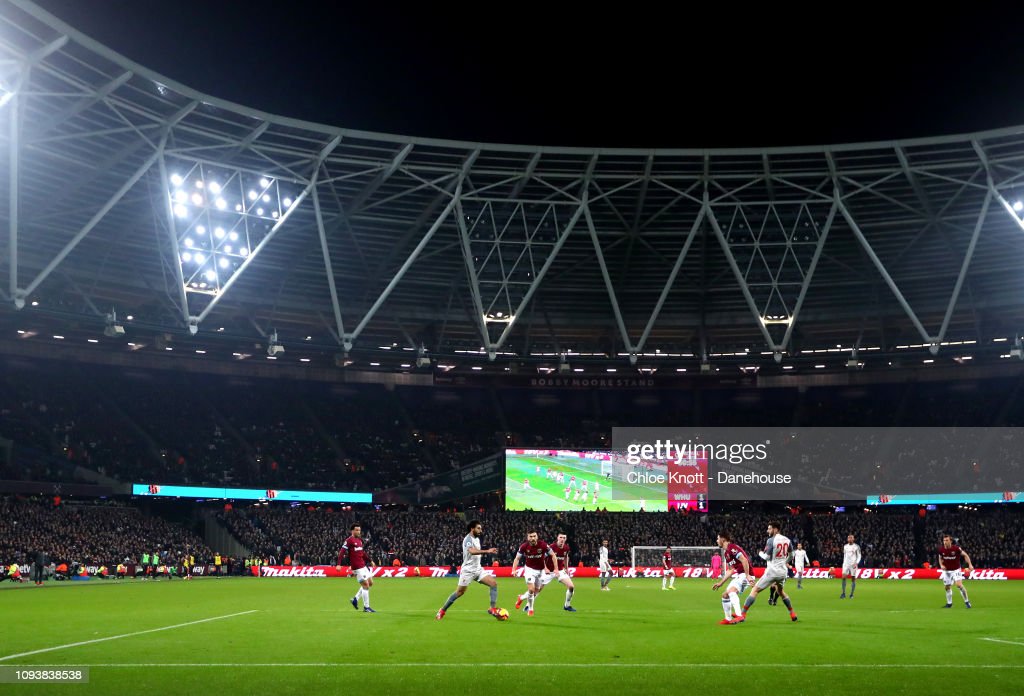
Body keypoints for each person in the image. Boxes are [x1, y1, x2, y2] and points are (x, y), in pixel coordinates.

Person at [436, 520, 502, 620]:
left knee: (493, 584)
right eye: (478, 528)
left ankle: (492, 609)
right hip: (468, 570)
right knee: (459, 592)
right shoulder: (468, 539)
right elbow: (471, 551)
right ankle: (442, 610)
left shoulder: (477, 539)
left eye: (481, 528)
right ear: (472, 529)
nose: (481, 530)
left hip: (478, 569)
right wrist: (487, 551)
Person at [740, 521, 797, 622]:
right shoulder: (787, 540)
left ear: (775, 529)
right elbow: (792, 555)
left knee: (755, 590)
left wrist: (760, 553)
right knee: (780, 591)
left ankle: (743, 614)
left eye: (769, 528)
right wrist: (784, 562)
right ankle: (792, 613)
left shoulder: (771, 540)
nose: (768, 531)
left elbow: (766, 557)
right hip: (783, 572)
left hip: (772, 571)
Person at [523, 533, 577, 612]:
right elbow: (542, 558)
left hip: (559, 570)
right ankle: (528, 605)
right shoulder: (551, 547)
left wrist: (566, 568)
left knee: (571, 586)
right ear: (557, 538)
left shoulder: (566, 548)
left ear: (566, 539)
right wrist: (545, 568)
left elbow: (566, 557)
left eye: (564, 538)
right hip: (547, 571)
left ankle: (567, 605)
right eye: (561, 537)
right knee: (537, 589)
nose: (562, 539)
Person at [511, 530, 558, 617]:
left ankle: (521, 598)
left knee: (537, 590)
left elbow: (553, 555)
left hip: (540, 571)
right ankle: (531, 609)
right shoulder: (524, 546)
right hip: (529, 570)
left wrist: (556, 569)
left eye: (534, 536)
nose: (532, 538)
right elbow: (517, 558)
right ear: (527, 537)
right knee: (531, 590)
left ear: (537, 536)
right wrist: (513, 569)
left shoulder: (543, 545)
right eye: (530, 536)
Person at [712, 532, 754, 624]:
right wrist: (720, 583)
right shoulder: (726, 553)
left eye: (718, 538)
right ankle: (728, 619)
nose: (717, 540)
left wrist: (747, 575)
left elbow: (744, 560)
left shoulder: (732, 548)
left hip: (746, 574)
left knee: (731, 591)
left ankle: (739, 616)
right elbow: (731, 570)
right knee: (725, 595)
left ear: (723, 540)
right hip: (740, 574)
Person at [336, 523, 376, 613]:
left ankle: (355, 599)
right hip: (357, 567)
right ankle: (366, 607)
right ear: (352, 531)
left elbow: (362, 553)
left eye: (359, 530)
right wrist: (338, 564)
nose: (359, 532)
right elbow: (342, 552)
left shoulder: (359, 540)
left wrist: (370, 560)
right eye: (357, 530)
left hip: (363, 565)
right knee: (365, 585)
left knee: (370, 583)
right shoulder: (349, 540)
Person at [938, 534, 974, 609]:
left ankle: (967, 601)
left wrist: (970, 564)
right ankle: (949, 603)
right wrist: (941, 565)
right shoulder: (941, 550)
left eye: (947, 540)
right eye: (944, 540)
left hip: (956, 570)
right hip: (946, 571)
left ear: (950, 541)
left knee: (958, 585)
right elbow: (940, 558)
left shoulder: (956, 549)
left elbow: (965, 555)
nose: (945, 542)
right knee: (947, 587)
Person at [841, 534, 861, 599]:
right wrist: (844, 563)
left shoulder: (856, 547)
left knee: (853, 579)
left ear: (853, 539)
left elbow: (859, 556)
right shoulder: (845, 546)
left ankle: (851, 594)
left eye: (851, 538)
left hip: (853, 565)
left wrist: (856, 563)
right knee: (843, 577)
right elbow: (845, 555)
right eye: (848, 538)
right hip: (846, 564)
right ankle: (843, 593)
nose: (849, 539)